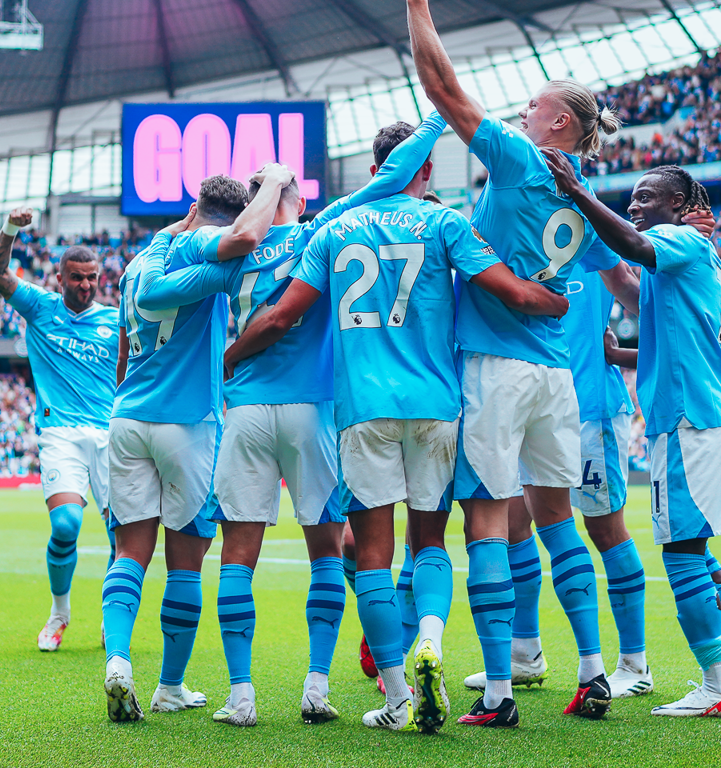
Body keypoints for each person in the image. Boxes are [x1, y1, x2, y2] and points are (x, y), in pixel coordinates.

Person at [226, 121, 569, 732]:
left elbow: (281, 317)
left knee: (373, 558)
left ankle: (396, 697)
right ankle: (430, 639)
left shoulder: (333, 231)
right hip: (435, 405)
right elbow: (511, 293)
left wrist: (227, 360)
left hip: (362, 410)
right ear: (426, 170)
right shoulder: (445, 222)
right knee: (430, 543)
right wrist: (553, 301)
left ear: (374, 171)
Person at [133, 119, 451, 727]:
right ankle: (317, 686)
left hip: (246, 413)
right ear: (295, 199)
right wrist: (438, 116)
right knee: (327, 553)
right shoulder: (319, 234)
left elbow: (158, 296)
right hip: (314, 412)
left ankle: (241, 696)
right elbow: (387, 180)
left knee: (237, 555)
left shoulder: (235, 256)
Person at [405, 0, 639, 724]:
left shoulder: (519, 159)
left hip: (496, 365)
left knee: (487, 524)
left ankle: (501, 692)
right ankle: (593, 670)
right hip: (555, 373)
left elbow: (442, 87)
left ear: (558, 124)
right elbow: (611, 271)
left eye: (533, 105)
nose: (520, 111)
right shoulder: (581, 194)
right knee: (557, 522)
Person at [547, 157, 721, 718]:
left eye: (646, 197)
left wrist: (577, 193)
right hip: (709, 416)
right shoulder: (694, 259)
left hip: (689, 422)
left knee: (681, 552)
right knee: (697, 549)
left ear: (680, 206)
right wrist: (621, 356)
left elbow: (633, 246)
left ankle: (717, 687)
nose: (635, 205)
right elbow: (678, 332)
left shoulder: (678, 241)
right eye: (632, 198)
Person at [101, 169, 284, 723]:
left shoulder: (138, 264)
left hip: (127, 417)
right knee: (185, 563)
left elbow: (123, 352)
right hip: (187, 423)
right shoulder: (206, 246)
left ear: (192, 205)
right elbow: (244, 240)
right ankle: (169, 686)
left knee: (130, 553)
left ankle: (117, 660)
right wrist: (272, 190)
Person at [0, 207, 120, 652]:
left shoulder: (115, 320)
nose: (85, 285)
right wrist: (11, 228)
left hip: (111, 435)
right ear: (60, 278)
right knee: (65, 524)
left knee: (122, 536)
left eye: (92, 277)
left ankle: (113, 618)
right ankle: (59, 613)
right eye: (76, 278)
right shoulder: (40, 307)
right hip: (60, 432)